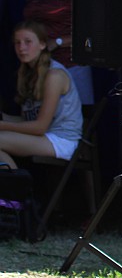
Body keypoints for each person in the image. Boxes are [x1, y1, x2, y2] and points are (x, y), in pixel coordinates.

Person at [0, 21, 82, 169]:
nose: (22, 48)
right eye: (17, 43)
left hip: (61, 140)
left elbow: (40, 127)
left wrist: (3, 125)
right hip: (43, 136)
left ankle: (17, 190)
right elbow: (27, 119)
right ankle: (13, 185)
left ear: (42, 44)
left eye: (28, 42)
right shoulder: (27, 73)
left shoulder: (54, 75)